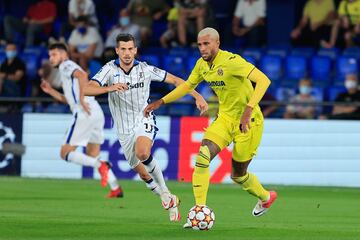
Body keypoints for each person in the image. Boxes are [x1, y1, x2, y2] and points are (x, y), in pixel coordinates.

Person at [144, 28, 278, 227]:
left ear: (217, 43)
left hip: (249, 122)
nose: (202, 48)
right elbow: (187, 86)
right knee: (202, 156)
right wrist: (160, 102)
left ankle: (266, 197)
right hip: (225, 119)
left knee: (238, 175)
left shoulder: (233, 62)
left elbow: (264, 80)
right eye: (199, 44)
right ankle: (199, 210)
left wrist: (248, 110)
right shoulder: (202, 65)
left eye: (206, 44)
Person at [84, 33, 208, 221]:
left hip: (144, 119)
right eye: (123, 49)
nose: (127, 53)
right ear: (117, 50)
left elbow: (176, 81)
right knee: (143, 174)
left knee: (143, 153)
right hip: (123, 128)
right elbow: (86, 88)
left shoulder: (145, 69)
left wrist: (197, 96)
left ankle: (165, 192)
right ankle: (168, 198)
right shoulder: (109, 70)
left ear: (135, 50)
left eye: (130, 49)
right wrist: (109, 88)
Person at [40, 43, 124, 198]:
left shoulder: (66, 65)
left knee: (65, 153)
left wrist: (81, 98)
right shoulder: (66, 73)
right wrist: (51, 91)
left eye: (54, 55)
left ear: (63, 54)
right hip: (95, 112)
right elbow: (68, 100)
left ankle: (100, 166)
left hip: (84, 112)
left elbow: (82, 75)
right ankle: (115, 188)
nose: (51, 58)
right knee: (93, 154)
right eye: (50, 55)